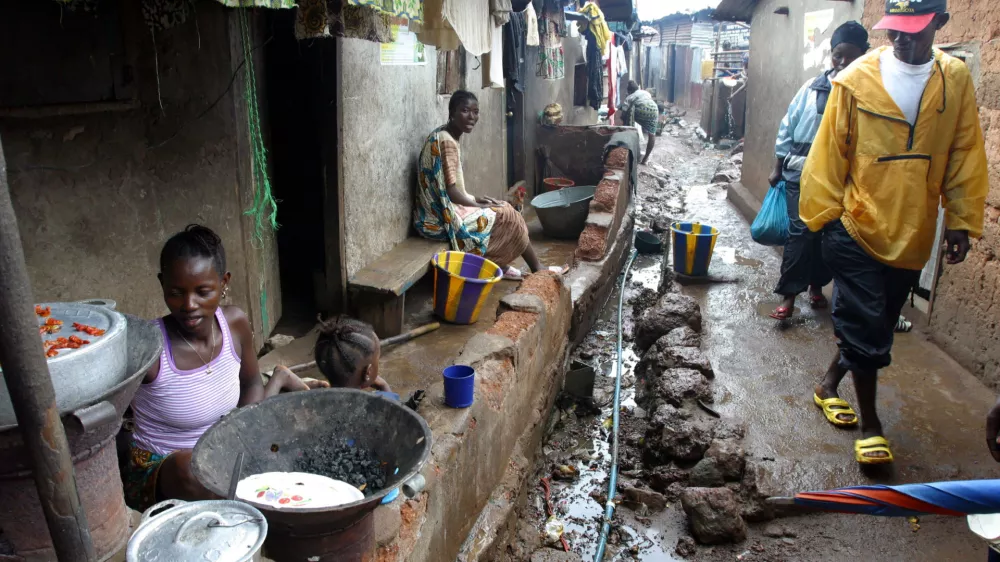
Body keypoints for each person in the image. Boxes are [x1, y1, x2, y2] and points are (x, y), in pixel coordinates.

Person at [802, 0, 987, 465]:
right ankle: (871, 426)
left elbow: (964, 150)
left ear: (940, 23)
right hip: (855, 223)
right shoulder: (856, 79)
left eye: (914, 29)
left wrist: (960, 219)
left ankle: (827, 385)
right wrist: (823, 218)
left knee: (879, 322)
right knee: (865, 323)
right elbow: (828, 152)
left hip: (912, 230)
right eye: (894, 30)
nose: (901, 39)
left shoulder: (954, 79)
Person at [123, 225, 329, 511]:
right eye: (176, 292)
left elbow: (252, 384)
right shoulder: (148, 346)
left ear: (223, 283)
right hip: (166, 468)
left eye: (203, 291)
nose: (189, 304)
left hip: (226, 451)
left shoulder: (234, 324)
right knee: (191, 470)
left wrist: (242, 438)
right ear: (162, 284)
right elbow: (114, 418)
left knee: (297, 435)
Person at [768, 22, 870, 320]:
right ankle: (789, 295)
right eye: (838, 55)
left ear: (864, 55)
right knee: (800, 234)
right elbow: (787, 126)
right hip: (799, 175)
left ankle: (816, 286)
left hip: (838, 181)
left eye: (851, 56)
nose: (843, 62)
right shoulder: (812, 88)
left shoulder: (867, 94)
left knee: (829, 236)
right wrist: (778, 166)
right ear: (831, 53)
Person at [415, 90, 564, 281]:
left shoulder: (444, 135)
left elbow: (451, 189)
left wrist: (476, 199)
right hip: (437, 220)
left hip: (436, 212)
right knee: (508, 216)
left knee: (502, 208)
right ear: (452, 112)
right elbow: (451, 192)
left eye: (475, 112)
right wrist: (477, 205)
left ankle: (503, 264)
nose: (472, 117)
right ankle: (535, 267)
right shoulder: (447, 142)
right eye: (465, 111)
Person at [314, 316, 391, 392]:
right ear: (368, 372)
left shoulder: (314, 397)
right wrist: (384, 386)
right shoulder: (379, 400)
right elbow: (389, 400)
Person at [618, 81, 658, 165]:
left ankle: (627, 143)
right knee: (652, 134)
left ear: (629, 91)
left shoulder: (630, 97)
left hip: (641, 111)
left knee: (627, 114)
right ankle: (645, 159)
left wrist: (622, 119)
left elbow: (624, 112)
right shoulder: (645, 92)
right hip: (654, 110)